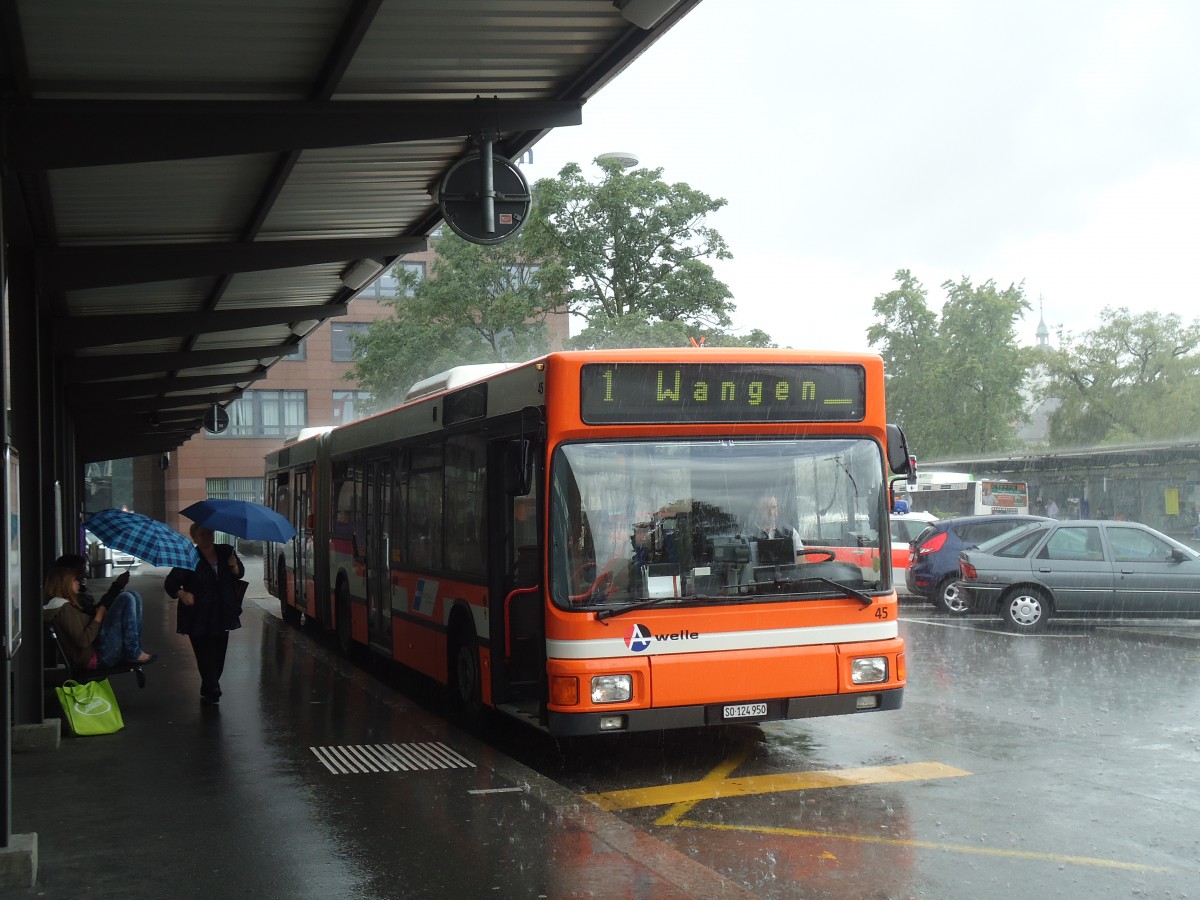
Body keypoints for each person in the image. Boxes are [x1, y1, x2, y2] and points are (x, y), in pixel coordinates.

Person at [164, 523, 244, 705]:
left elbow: (239, 574)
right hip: (197, 615)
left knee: (219, 655)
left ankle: (209, 685)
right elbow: (171, 583)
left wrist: (234, 567)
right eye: (203, 534)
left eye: (210, 533)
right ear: (194, 537)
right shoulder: (188, 557)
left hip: (222, 612)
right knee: (204, 653)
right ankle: (213, 687)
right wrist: (182, 594)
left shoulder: (226, 551)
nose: (208, 536)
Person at [42, 565, 156, 671]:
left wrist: (99, 613)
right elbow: (83, 640)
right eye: (75, 580)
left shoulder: (66, 606)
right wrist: (99, 615)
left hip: (97, 651)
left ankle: (135, 650)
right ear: (65, 584)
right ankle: (133, 653)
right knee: (126, 597)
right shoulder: (63, 608)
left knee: (133, 595)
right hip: (95, 658)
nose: (79, 583)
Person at [54, 553, 139, 616]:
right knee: (127, 597)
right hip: (95, 631)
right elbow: (94, 615)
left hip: (95, 625)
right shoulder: (69, 601)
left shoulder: (76, 594)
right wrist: (117, 586)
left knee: (133, 596)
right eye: (80, 573)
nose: (85, 575)